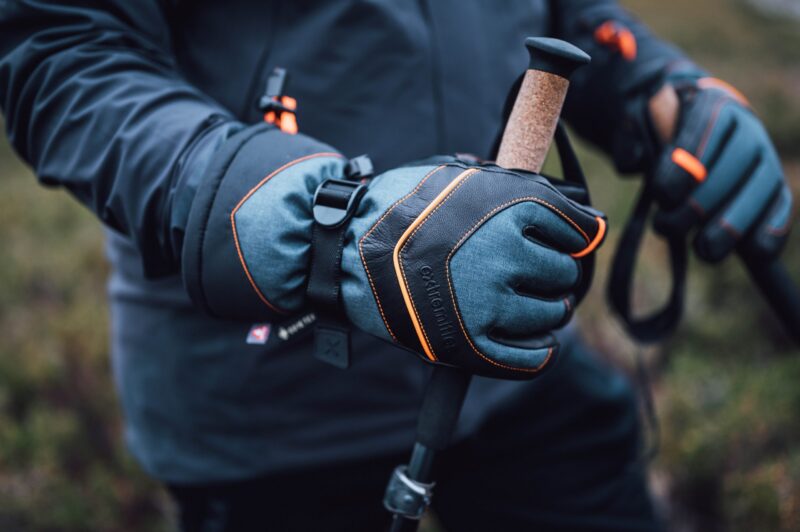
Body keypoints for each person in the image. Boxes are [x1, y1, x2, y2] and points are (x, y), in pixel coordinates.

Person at [0, 1, 791, 531]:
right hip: (269, 415)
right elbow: (61, 50)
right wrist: (323, 224)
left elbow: (559, 12)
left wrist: (661, 85)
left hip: (510, 362)